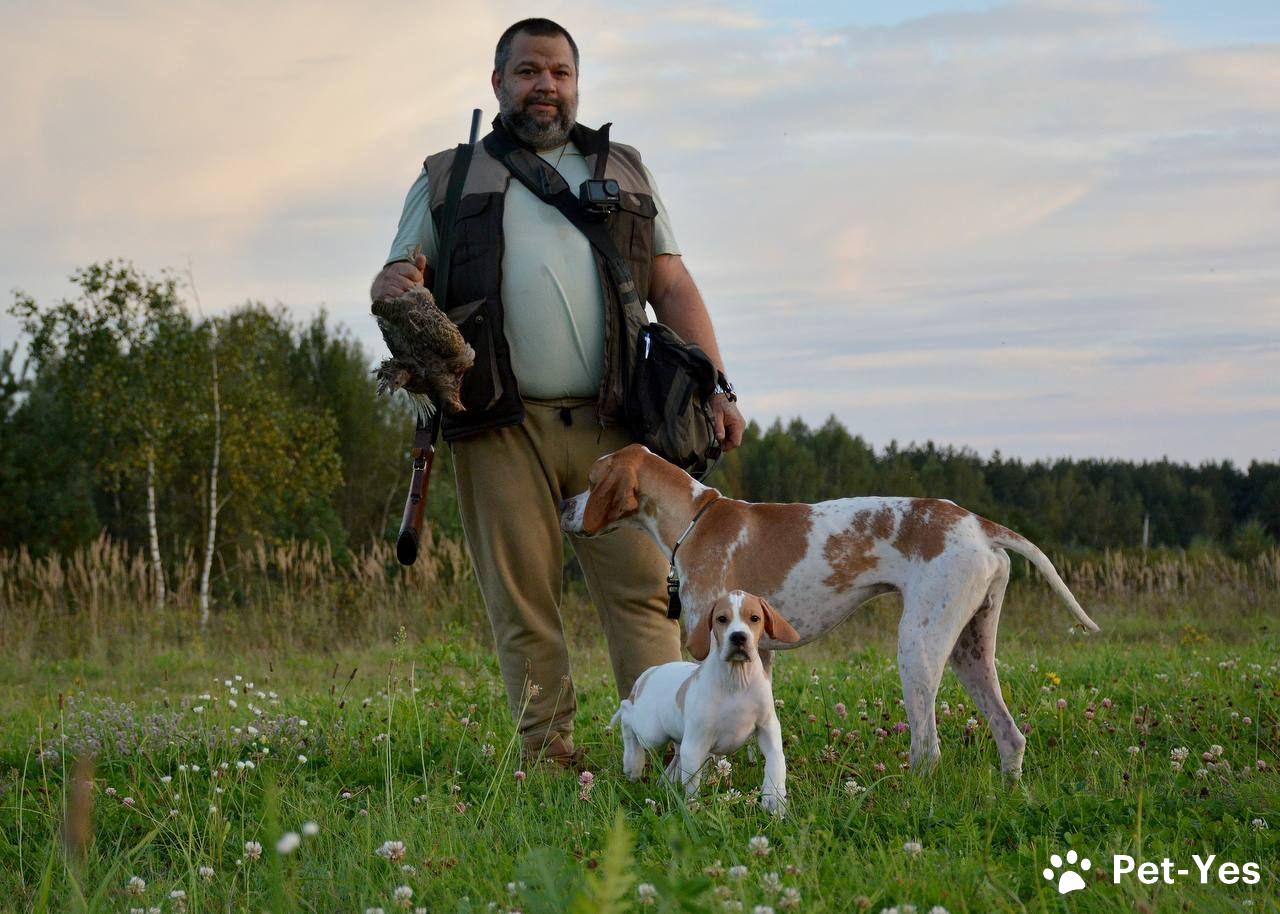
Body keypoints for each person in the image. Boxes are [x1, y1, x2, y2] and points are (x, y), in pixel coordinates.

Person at [370, 17, 745, 766]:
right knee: (523, 598)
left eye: (560, 73)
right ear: (498, 82)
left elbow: (670, 284)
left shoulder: (624, 169)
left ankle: (668, 749)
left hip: (619, 424)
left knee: (645, 593)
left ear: (576, 84)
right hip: (495, 421)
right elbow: (398, 274)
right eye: (528, 71)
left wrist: (717, 385)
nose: (545, 86)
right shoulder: (448, 176)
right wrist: (397, 284)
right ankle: (547, 754)